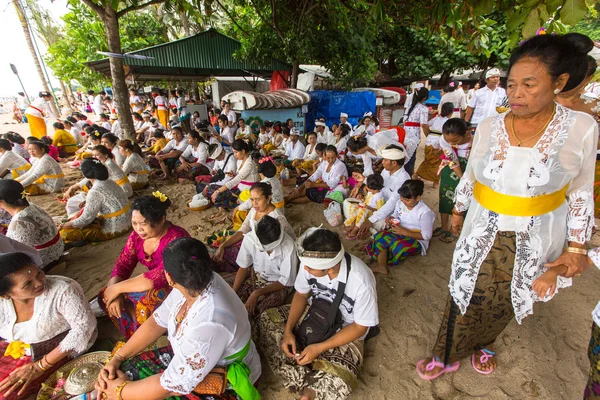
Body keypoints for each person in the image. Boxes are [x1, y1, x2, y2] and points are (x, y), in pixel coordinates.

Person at [417, 32, 597, 380]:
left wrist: (576, 247)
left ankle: (484, 343)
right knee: (465, 290)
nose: (516, 94)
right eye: (512, 84)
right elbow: (472, 175)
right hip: (483, 228)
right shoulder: (489, 126)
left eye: (529, 85)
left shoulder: (581, 128)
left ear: (559, 82)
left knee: (507, 296)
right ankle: (446, 352)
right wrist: (457, 211)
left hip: (537, 234)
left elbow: (580, 192)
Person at [95, 237, 261, 400]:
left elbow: (171, 387)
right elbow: (157, 321)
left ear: (169, 278)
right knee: (125, 370)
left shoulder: (211, 320)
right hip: (191, 357)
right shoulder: (194, 282)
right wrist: (118, 358)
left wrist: (120, 391)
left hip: (225, 380)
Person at [257, 228, 378, 400]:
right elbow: (300, 294)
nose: (305, 268)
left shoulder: (361, 281)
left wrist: (320, 347)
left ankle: (307, 387)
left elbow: (360, 327)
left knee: (341, 382)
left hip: (346, 329)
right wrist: (288, 331)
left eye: (309, 267)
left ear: (329, 269)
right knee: (266, 319)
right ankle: (311, 372)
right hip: (316, 313)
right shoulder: (311, 263)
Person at [0, 253, 97, 399]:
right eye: (27, 284)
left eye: (39, 273)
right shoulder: (2, 303)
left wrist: (39, 366)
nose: (39, 283)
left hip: (57, 353)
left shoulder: (63, 290)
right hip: (17, 349)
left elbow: (83, 328)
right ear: (6, 295)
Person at [98, 194, 189, 338]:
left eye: (144, 224)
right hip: (152, 284)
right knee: (105, 297)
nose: (138, 229)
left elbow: (159, 277)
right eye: (134, 223)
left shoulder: (176, 239)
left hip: (177, 286)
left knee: (148, 299)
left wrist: (117, 289)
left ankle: (146, 332)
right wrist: (113, 293)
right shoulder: (136, 237)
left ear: (162, 220)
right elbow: (123, 264)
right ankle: (135, 331)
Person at [214, 182, 295, 273]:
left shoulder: (277, 218)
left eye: (258, 199)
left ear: (268, 198)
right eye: (252, 200)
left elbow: (291, 239)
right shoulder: (254, 211)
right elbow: (243, 230)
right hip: (253, 244)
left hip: (267, 252)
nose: (254, 203)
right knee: (221, 251)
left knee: (226, 257)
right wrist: (223, 245)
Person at [233, 215, 297, 317]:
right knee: (235, 301)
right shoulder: (250, 239)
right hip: (257, 276)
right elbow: (243, 267)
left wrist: (257, 293)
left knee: (258, 312)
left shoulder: (288, 246)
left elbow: (286, 281)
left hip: (279, 284)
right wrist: (233, 292)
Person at [366, 180, 435, 274]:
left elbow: (426, 236)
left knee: (399, 246)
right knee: (380, 235)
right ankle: (381, 265)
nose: (403, 202)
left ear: (418, 198)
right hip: (399, 231)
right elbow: (396, 214)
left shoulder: (425, 212)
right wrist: (390, 218)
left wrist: (404, 232)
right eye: (402, 198)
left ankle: (384, 253)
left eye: (407, 200)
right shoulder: (400, 203)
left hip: (417, 239)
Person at [59, 159, 131, 243]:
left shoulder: (95, 190)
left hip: (114, 230)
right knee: (81, 214)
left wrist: (62, 226)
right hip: (128, 223)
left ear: (85, 174)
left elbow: (85, 219)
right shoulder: (111, 182)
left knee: (64, 233)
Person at [0, 180, 64, 268]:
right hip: (58, 249)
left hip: (46, 261)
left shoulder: (19, 223)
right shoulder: (31, 205)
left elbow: (20, 255)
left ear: (1, 202)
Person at [356, 145, 410, 235]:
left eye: (385, 160)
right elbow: (378, 186)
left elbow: (391, 204)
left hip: (390, 211)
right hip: (377, 204)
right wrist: (365, 181)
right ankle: (362, 229)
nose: (382, 162)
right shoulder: (386, 170)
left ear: (394, 163)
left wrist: (370, 220)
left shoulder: (403, 179)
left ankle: (365, 231)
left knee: (378, 222)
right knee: (356, 207)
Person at [435, 118, 472, 243]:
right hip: (451, 168)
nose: (451, 144)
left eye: (455, 141)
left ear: (466, 133)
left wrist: (466, 181)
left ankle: (454, 230)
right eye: (448, 140)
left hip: (469, 168)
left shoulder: (477, 139)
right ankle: (444, 226)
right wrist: (462, 178)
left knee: (463, 199)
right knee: (445, 196)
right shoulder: (443, 140)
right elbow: (452, 159)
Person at [206, 139, 260, 217]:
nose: (234, 155)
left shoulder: (249, 164)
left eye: (236, 152)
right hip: (239, 187)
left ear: (243, 151)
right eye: (234, 152)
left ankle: (240, 204)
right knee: (213, 191)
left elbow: (236, 180)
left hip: (248, 191)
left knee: (217, 194)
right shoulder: (239, 161)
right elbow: (238, 177)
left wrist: (217, 191)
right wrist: (233, 175)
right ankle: (228, 206)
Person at [233, 156, 284, 229]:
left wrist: (238, 207)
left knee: (242, 211)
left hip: (271, 213)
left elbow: (250, 202)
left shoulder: (264, 184)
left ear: (261, 172)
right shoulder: (275, 179)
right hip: (280, 209)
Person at [415, 102, 453, 184]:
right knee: (438, 163)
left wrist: (429, 133)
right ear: (451, 112)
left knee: (428, 160)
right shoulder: (448, 122)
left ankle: (419, 175)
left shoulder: (436, 118)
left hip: (429, 141)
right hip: (438, 143)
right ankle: (435, 182)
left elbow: (426, 124)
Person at [344, 174, 385, 240]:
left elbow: (379, 210)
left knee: (362, 211)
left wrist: (368, 207)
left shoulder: (379, 197)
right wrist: (362, 198)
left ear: (373, 188)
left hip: (371, 211)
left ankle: (356, 229)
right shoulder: (370, 192)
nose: (366, 187)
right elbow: (367, 199)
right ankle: (352, 225)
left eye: (368, 186)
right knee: (354, 207)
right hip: (365, 207)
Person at [403, 87, 430, 176]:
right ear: (425, 98)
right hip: (414, 135)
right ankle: (408, 175)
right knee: (412, 156)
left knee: (405, 154)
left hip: (405, 133)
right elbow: (424, 124)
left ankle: (406, 173)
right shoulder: (423, 108)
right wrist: (428, 135)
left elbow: (404, 120)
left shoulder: (409, 107)